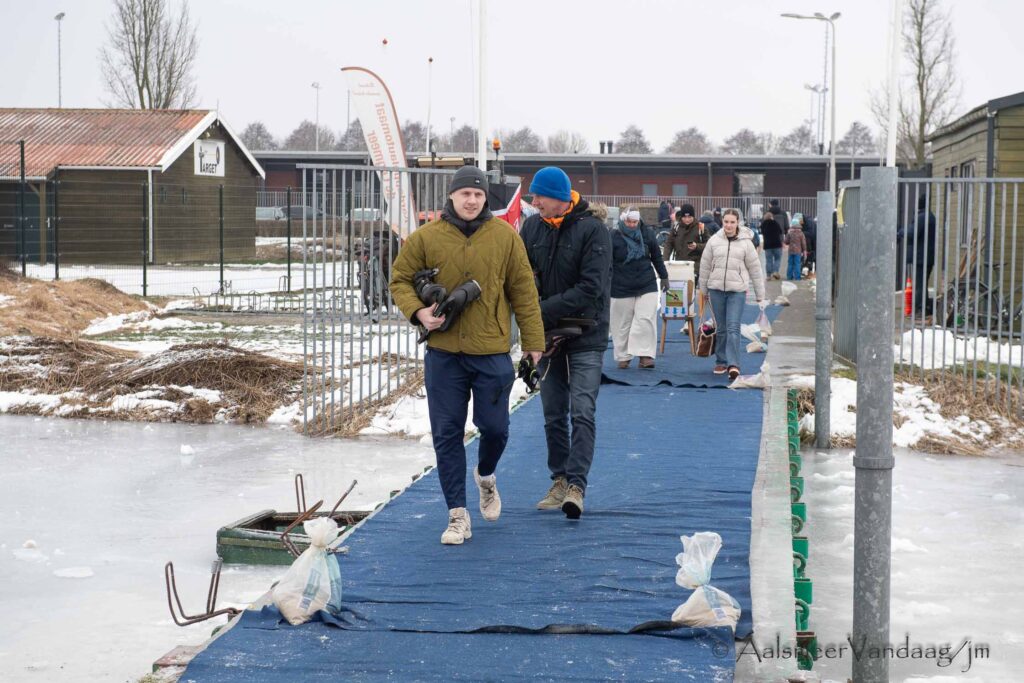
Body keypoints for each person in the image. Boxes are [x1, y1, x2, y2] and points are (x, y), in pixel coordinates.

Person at [390, 165, 545, 545]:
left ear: (485, 198)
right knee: (447, 434)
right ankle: (457, 515)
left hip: (491, 350)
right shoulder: (426, 237)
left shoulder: (505, 237)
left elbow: (524, 291)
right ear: (452, 196)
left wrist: (534, 342)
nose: (472, 200)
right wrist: (418, 311)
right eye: (465, 194)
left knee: (495, 428)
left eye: (478, 194)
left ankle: (486, 476)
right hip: (443, 353)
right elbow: (399, 280)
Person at [520, 166, 612, 520]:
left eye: (539, 196)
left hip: (587, 333)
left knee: (582, 411)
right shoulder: (531, 227)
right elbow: (522, 277)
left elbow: (592, 288)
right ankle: (558, 480)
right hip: (546, 335)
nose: (534, 202)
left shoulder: (593, 230)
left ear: (559, 197)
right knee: (552, 411)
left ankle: (577, 486)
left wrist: (540, 309)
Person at [699, 208, 766, 380]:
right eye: (726, 222)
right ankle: (721, 361)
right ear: (722, 222)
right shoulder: (714, 241)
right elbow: (705, 266)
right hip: (716, 290)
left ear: (738, 223)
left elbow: (755, 269)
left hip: (737, 291)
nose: (729, 225)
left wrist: (760, 294)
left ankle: (733, 364)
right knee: (721, 328)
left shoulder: (746, 243)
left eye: (732, 222)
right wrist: (703, 290)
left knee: (733, 327)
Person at [610, 208, 669, 369]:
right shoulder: (613, 236)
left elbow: (656, 256)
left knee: (645, 320)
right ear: (622, 220)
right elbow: (607, 261)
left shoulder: (647, 234)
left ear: (639, 221)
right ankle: (623, 356)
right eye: (628, 222)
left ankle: (645, 355)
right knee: (622, 323)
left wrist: (664, 276)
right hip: (620, 285)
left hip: (646, 282)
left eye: (634, 222)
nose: (631, 225)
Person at [897, 193, 937, 314]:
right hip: (925, 257)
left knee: (919, 285)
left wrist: (900, 231)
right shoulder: (928, 216)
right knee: (922, 284)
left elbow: (912, 233)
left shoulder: (923, 217)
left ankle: (920, 309)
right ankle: (925, 308)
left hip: (921, 258)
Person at [760, 211, 784, 280]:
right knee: (777, 259)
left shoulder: (763, 225)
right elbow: (780, 231)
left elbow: (762, 232)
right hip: (777, 245)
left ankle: (768, 275)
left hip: (768, 246)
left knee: (768, 260)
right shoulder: (775, 223)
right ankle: (775, 271)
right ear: (771, 217)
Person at [785, 216, 808, 281]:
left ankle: (789, 277)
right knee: (797, 264)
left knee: (790, 264)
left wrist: (788, 235)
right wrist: (804, 250)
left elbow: (786, 242)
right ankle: (797, 277)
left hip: (791, 251)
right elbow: (803, 243)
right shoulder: (801, 233)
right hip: (798, 251)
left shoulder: (790, 233)